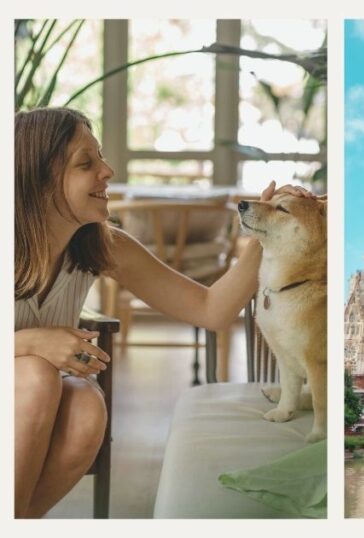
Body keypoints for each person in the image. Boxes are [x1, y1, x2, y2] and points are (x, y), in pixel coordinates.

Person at [13, 107, 314, 518]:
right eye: (86, 164)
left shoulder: (102, 246)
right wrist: (32, 342)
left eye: (100, 157)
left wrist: (268, 227)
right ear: (39, 180)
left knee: (85, 407)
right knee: (34, 374)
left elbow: (209, 309)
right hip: (25, 390)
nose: (107, 170)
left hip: (33, 398)